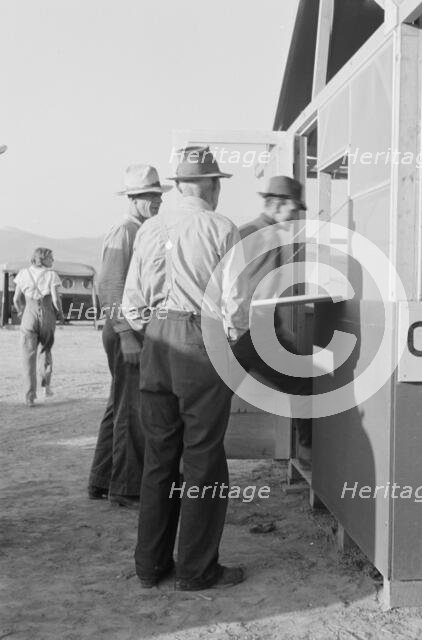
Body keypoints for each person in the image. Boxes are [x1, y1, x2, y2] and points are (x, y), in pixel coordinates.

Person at [123, 146, 249, 590]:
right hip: (201, 340)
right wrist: (232, 339)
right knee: (202, 458)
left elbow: (133, 305)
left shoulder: (151, 227)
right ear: (212, 185)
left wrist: (155, 329)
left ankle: (150, 565)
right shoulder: (221, 227)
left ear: (177, 185)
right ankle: (196, 568)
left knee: (159, 457)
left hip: (157, 340)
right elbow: (236, 305)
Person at [88, 165, 171, 509]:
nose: (157, 201)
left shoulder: (138, 229)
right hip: (126, 328)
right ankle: (125, 489)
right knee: (132, 408)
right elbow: (110, 286)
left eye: (159, 194)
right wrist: (125, 334)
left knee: (120, 404)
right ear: (133, 199)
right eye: (150, 196)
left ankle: (102, 480)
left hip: (128, 328)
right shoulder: (126, 231)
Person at [232, 176, 313, 455]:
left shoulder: (245, 231)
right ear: (278, 205)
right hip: (254, 334)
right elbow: (259, 292)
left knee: (213, 403)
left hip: (236, 332)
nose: (294, 217)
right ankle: (310, 455)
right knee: (304, 383)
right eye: (293, 211)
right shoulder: (269, 237)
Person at [13, 247, 65, 407]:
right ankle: (46, 386)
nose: (53, 260)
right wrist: (61, 314)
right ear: (43, 259)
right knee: (45, 351)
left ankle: (29, 397)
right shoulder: (52, 275)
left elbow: (16, 299)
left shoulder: (22, 273)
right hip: (47, 314)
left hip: (29, 313)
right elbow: (56, 300)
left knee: (28, 356)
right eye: (51, 258)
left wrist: (22, 312)